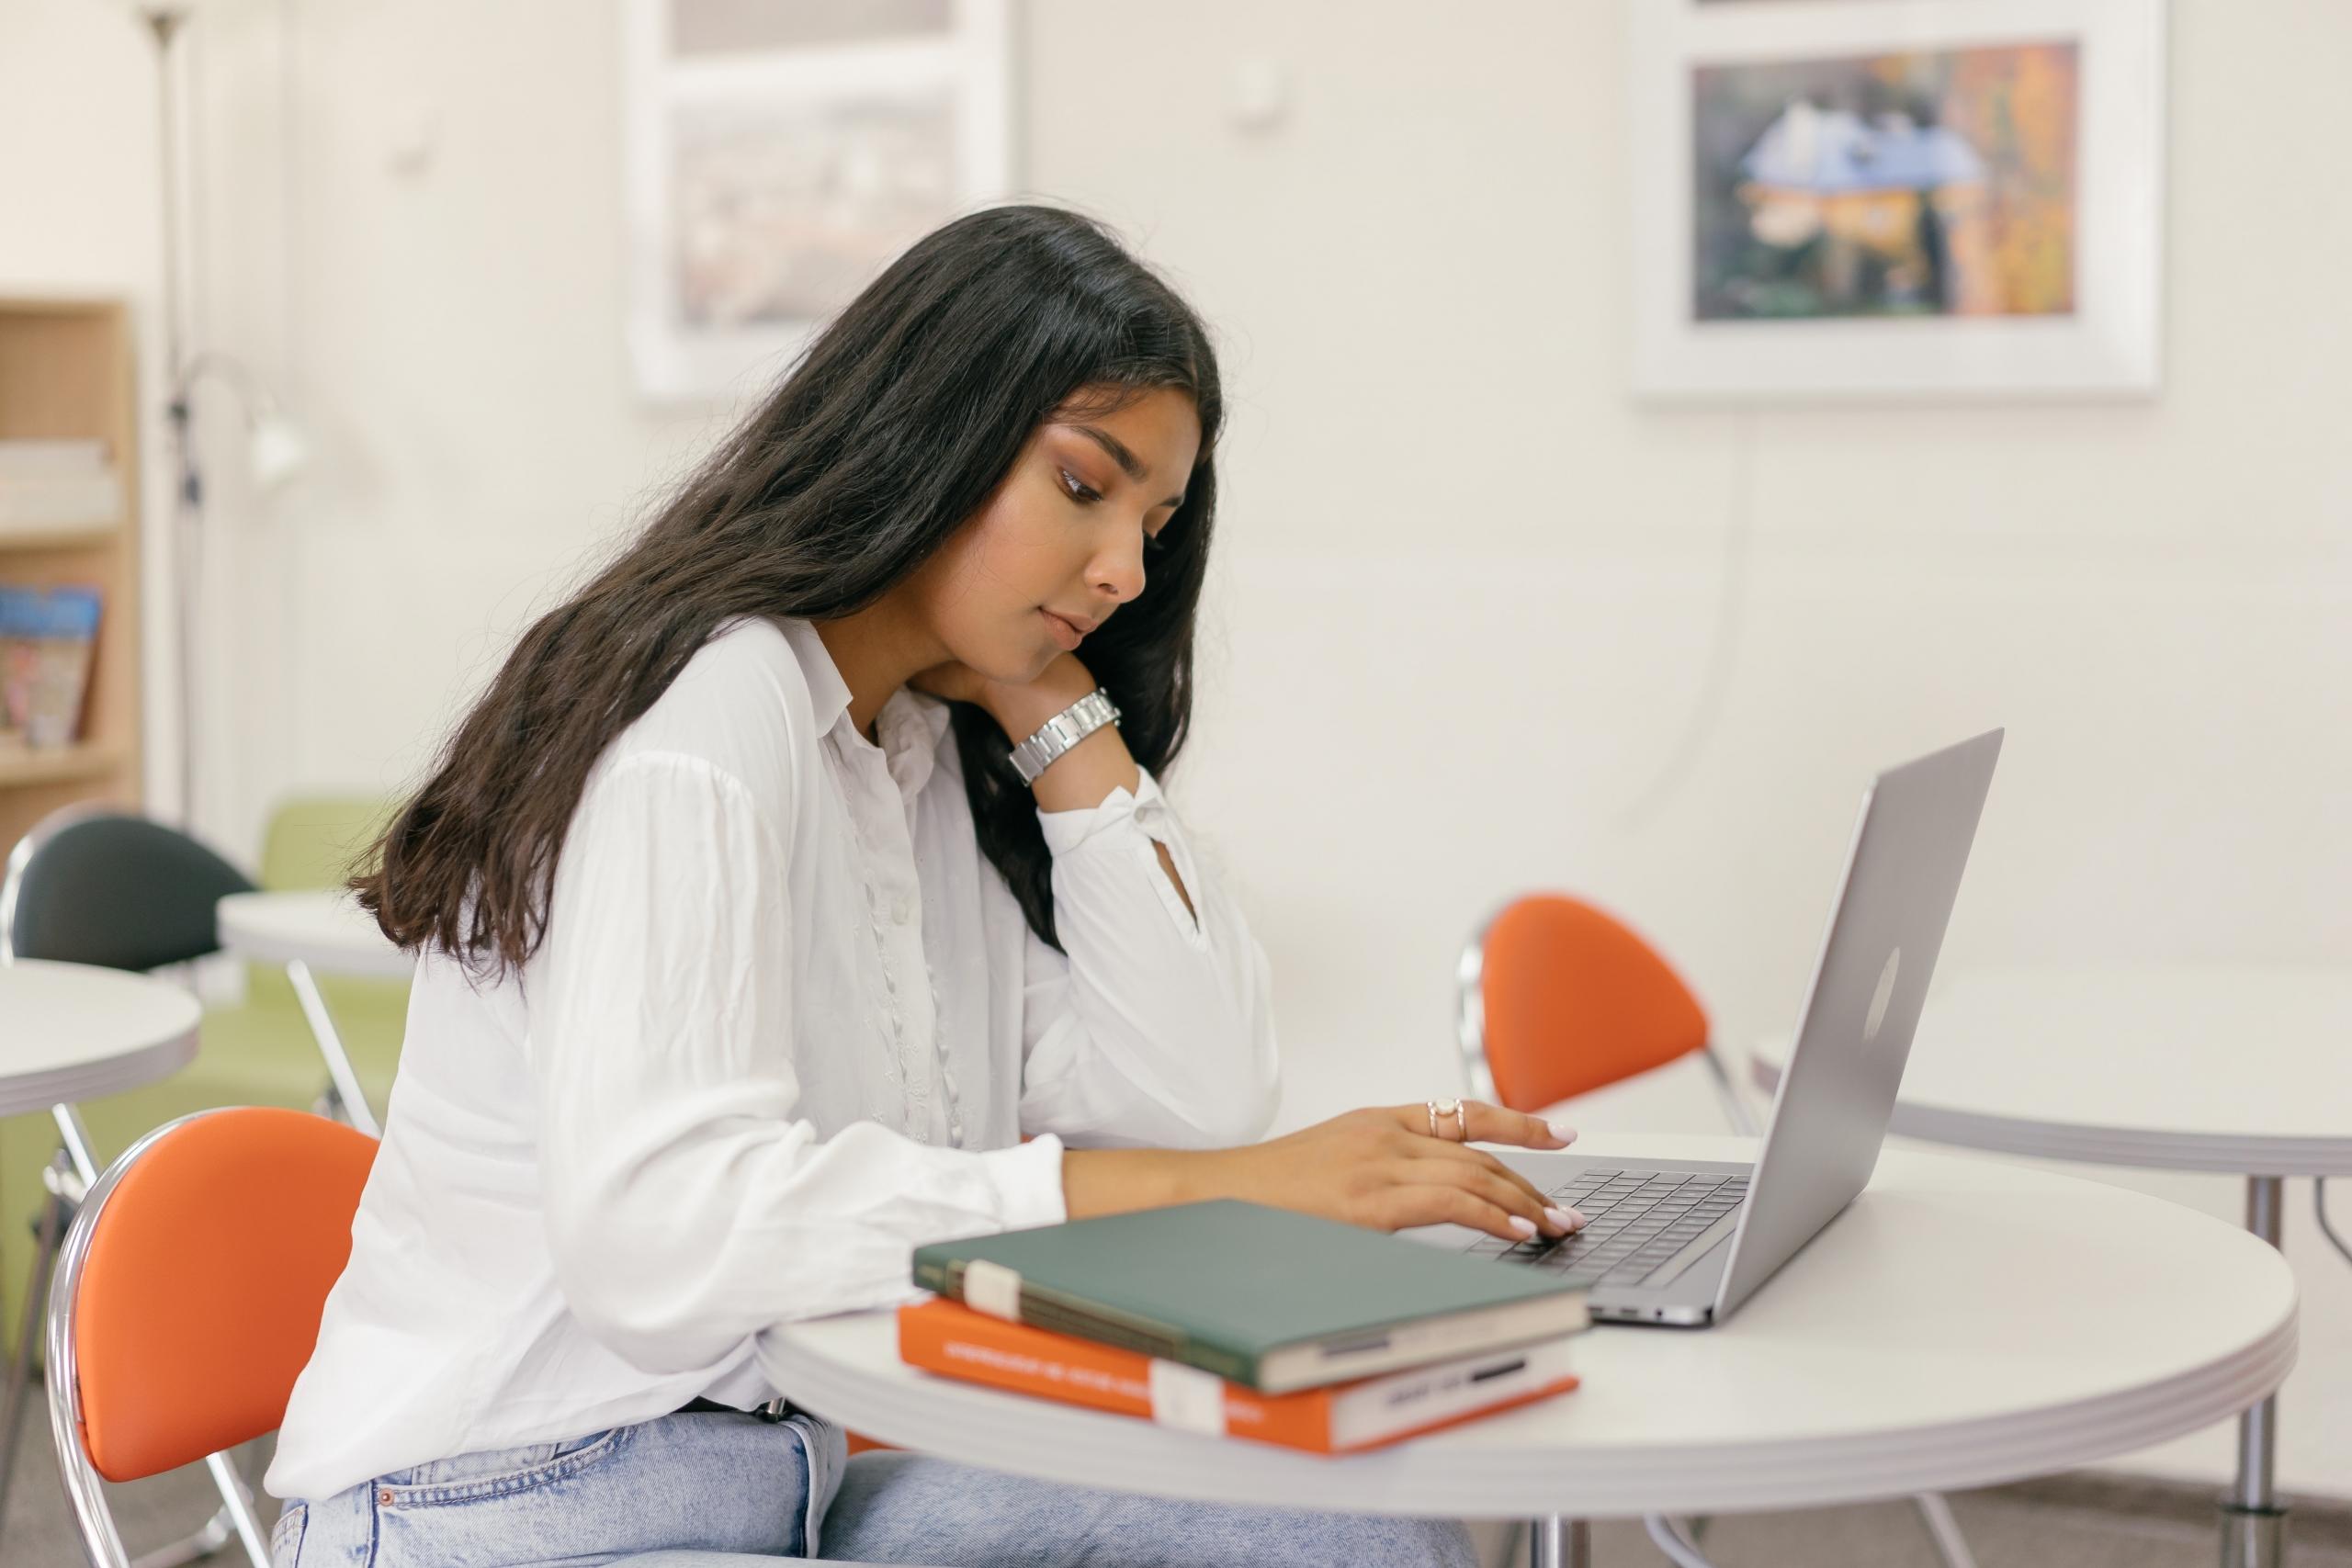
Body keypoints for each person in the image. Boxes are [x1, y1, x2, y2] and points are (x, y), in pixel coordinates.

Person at [265, 203, 1585, 1568]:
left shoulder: (916, 756)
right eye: (1086, 486)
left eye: (1154, 521)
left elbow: (1189, 1103)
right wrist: (1222, 1188)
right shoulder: (709, 719)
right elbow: (662, 1241)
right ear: (931, 431)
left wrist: (1059, 710)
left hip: (772, 1493)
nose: (1126, 569)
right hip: (504, 1517)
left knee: (1340, 1518)